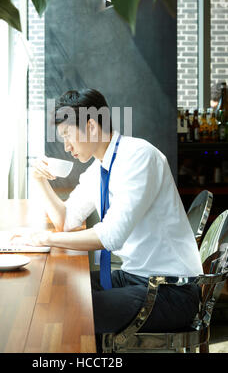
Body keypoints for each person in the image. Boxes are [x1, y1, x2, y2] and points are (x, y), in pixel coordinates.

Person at [12, 89, 203, 351]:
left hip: (171, 291)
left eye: (68, 136)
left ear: (90, 126)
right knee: (56, 291)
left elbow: (111, 236)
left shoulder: (138, 157)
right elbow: (66, 220)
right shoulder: (100, 168)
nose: (66, 147)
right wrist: (39, 181)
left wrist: (44, 239)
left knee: (73, 311)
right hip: (136, 277)